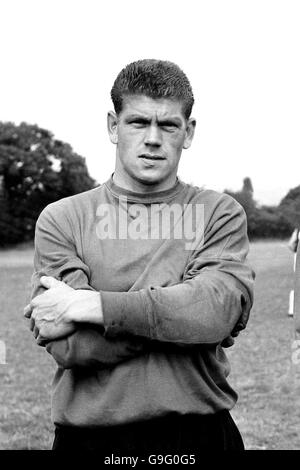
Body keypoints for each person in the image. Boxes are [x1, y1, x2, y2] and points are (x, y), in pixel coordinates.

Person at [24, 59, 255, 454]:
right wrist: (182, 320)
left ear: (188, 132)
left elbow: (214, 314)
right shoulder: (62, 218)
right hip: (90, 440)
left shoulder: (219, 212)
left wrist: (89, 304)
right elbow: (71, 347)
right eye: (138, 122)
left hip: (199, 436)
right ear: (113, 126)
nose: (153, 138)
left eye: (168, 125)